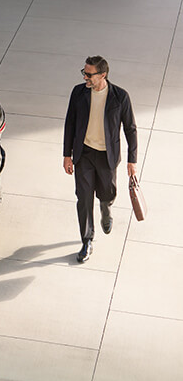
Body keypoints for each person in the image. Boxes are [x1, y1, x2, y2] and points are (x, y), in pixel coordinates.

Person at [63, 56, 137, 263]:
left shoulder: (120, 97)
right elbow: (70, 123)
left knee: (107, 193)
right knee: (84, 198)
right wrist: (67, 155)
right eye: (84, 73)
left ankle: (106, 208)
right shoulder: (78, 93)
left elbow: (130, 128)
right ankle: (87, 240)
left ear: (102, 75)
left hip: (107, 156)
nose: (85, 77)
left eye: (89, 74)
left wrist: (133, 160)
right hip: (83, 154)